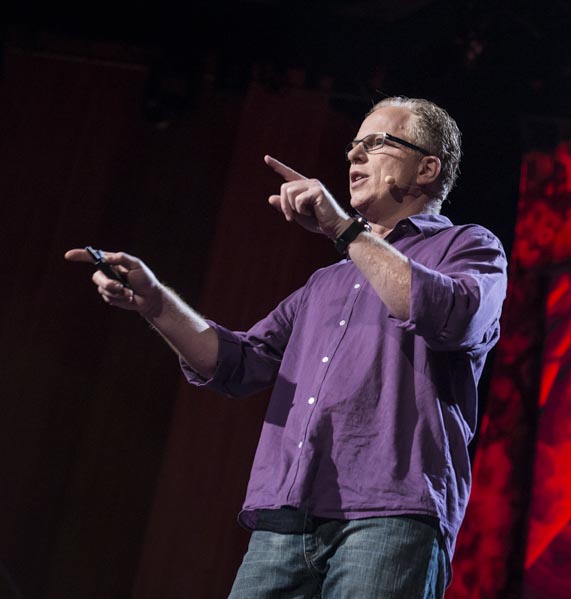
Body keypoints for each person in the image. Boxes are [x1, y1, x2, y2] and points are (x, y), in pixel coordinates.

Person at [65, 97, 508, 598]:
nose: (354, 157)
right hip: (286, 519)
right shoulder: (325, 283)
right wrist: (155, 302)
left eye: (377, 143)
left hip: (390, 515)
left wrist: (344, 229)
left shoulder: (469, 247)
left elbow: (450, 315)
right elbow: (235, 363)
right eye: (353, 146)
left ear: (428, 167)